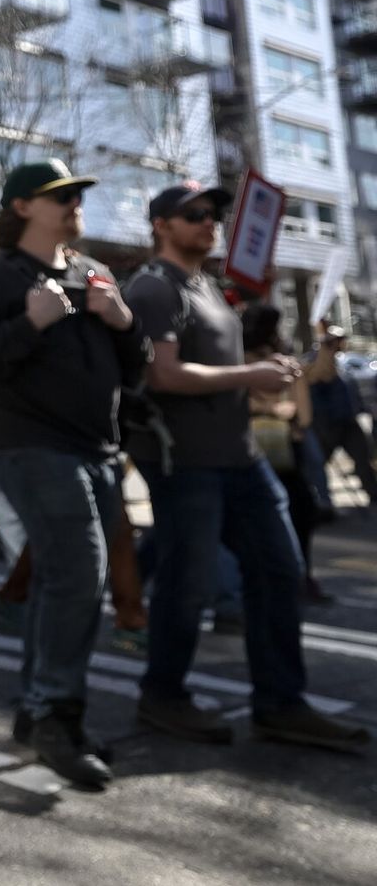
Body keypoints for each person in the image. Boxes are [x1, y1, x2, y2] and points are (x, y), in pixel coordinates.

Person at [124, 180, 369, 751]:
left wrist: (269, 376)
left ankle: (281, 703)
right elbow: (162, 375)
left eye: (214, 214)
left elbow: (222, 375)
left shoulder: (207, 285)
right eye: (195, 215)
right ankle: (163, 695)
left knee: (280, 573)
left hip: (241, 459)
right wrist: (249, 377)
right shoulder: (154, 288)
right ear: (161, 224)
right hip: (186, 464)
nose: (210, 222)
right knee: (187, 586)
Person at [0, 160, 147, 788]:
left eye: (76, 196)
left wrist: (123, 323)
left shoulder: (93, 274)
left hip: (99, 449)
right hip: (31, 446)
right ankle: (58, 717)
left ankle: (38, 712)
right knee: (80, 576)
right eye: (58, 196)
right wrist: (30, 322)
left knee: (62, 578)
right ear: (21, 207)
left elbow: (135, 370)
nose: (73, 205)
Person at [243, 306, 328, 605]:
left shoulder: (254, 364)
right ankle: (291, 579)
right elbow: (301, 417)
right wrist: (271, 408)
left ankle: (290, 579)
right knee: (289, 517)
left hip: (275, 452)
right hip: (271, 454)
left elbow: (320, 375)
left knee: (295, 514)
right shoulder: (258, 365)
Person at [307, 323, 376, 516]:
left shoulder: (342, 362)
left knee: (363, 458)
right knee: (318, 464)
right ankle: (320, 502)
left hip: (347, 421)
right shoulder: (316, 361)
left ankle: (373, 495)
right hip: (327, 424)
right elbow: (318, 380)